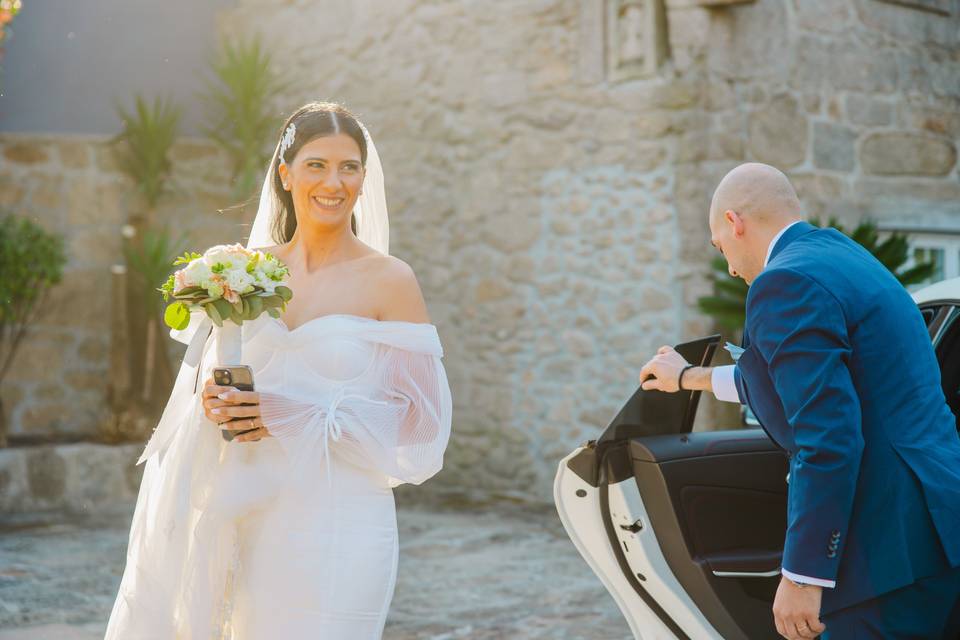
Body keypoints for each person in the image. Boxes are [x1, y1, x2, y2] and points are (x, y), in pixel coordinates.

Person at [105, 102, 452, 639]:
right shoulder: (246, 271)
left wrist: (292, 414)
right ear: (286, 175)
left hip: (340, 520)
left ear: (365, 177)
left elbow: (422, 426)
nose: (333, 182)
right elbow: (219, 375)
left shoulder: (389, 280)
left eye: (349, 166)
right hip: (246, 512)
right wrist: (214, 403)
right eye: (316, 164)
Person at [639, 162, 960, 639]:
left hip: (884, 552)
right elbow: (788, 382)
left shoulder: (783, 283)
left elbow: (827, 439)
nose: (728, 264)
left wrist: (805, 575)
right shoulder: (844, 256)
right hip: (935, 526)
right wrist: (687, 378)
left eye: (719, 245)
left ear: (734, 222)